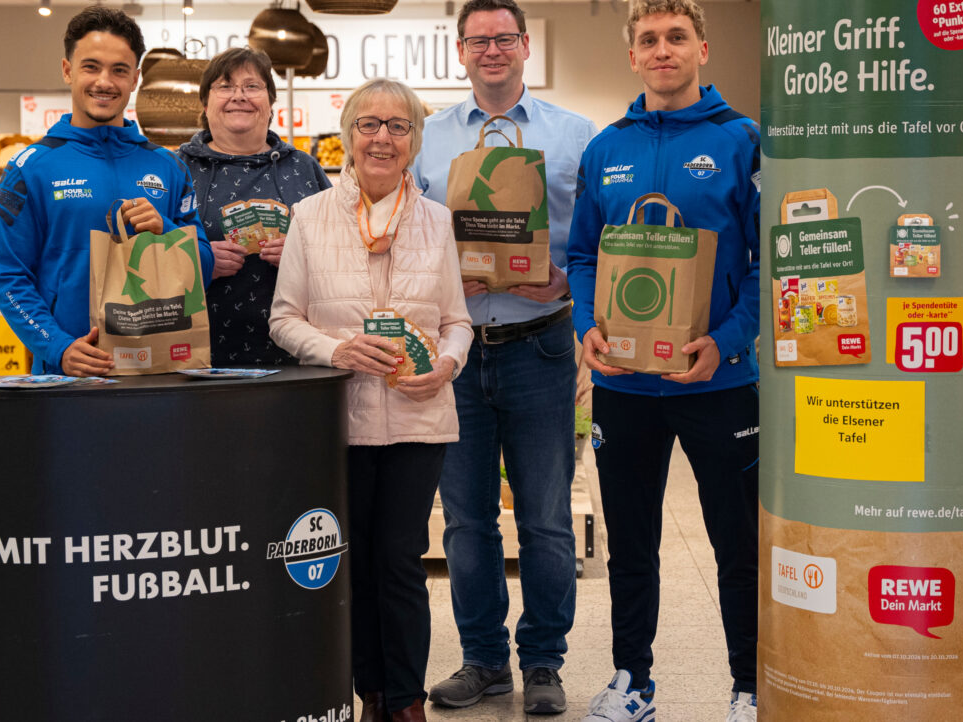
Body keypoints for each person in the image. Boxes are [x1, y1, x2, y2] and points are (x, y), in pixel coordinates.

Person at [567, 1, 761, 721]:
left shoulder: (742, 139)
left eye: (676, 37)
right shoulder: (605, 147)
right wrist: (588, 324)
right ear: (632, 56)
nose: (662, 49)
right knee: (631, 544)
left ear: (702, 49)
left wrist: (728, 340)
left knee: (737, 542)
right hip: (624, 384)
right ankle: (633, 682)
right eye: (648, 39)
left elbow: (769, 261)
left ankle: (749, 685)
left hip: (721, 381)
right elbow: (584, 254)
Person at [407, 0, 595, 714]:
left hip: (540, 344)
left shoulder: (574, 136)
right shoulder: (428, 138)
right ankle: (484, 660)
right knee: (465, 520)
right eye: (478, 40)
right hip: (456, 353)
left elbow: (599, 238)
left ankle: (543, 661)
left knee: (545, 518)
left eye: (504, 38)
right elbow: (411, 235)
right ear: (460, 51)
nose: (492, 50)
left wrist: (569, 279)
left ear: (524, 47)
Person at [269, 78, 473, 722]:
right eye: (369, 124)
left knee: (401, 562)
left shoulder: (437, 220)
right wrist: (337, 351)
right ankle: (369, 692)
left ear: (414, 140)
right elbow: (284, 318)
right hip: (342, 421)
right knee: (350, 563)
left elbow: (457, 322)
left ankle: (407, 698)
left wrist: (445, 364)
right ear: (349, 135)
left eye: (398, 126)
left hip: (419, 417)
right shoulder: (311, 215)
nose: (382, 137)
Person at [0, 5, 209, 376]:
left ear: (136, 78)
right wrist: (56, 346)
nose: (104, 81)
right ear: (67, 70)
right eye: (91, 66)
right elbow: (9, 275)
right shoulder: (32, 168)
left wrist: (167, 231)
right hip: (70, 376)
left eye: (119, 70)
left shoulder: (169, 167)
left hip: (159, 371)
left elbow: (204, 264)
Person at [178, 47, 331, 366]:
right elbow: (144, 255)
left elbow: (343, 250)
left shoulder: (303, 167)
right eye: (225, 86)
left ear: (271, 104)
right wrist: (197, 261)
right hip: (193, 359)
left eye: (252, 86)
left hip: (296, 356)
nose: (239, 96)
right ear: (205, 104)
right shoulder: (175, 169)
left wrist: (302, 256)